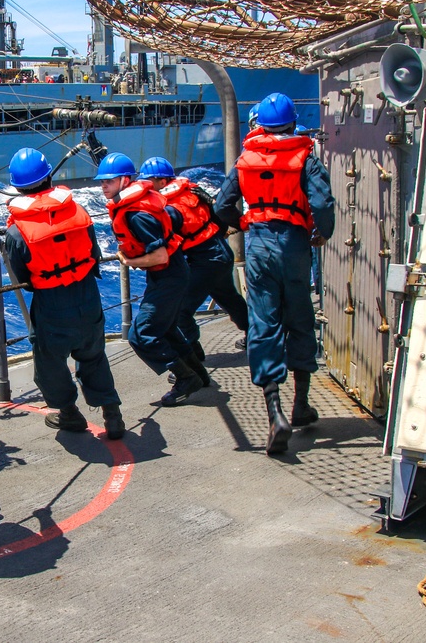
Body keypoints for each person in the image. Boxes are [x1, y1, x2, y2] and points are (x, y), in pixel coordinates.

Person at [214, 93, 335, 456]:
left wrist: (245, 224)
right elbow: (323, 204)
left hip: (259, 246)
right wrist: (321, 233)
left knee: (264, 325)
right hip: (294, 245)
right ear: (292, 122)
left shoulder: (245, 159)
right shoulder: (306, 159)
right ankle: (301, 404)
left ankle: (275, 413)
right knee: (299, 318)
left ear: (261, 124)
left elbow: (222, 205)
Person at [3, 148, 125, 439]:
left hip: (51, 302)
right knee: (93, 355)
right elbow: (94, 254)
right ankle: (113, 415)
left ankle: (69, 414)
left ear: (17, 186)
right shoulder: (78, 211)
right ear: (49, 177)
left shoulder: (17, 231)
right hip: (87, 294)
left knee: (49, 363)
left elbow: (24, 280)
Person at [95, 152, 208, 406]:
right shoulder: (136, 206)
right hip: (171, 274)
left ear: (125, 181)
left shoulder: (137, 215)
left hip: (168, 275)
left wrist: (129, 261)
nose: (103, 185)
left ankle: (185, 377)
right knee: (166, 328)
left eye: (109, 181)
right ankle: (199, 375)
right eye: (101, 181)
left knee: (142, 333)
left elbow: (158, 255)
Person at [137, 156, 249, 364]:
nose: (144, 185)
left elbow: (169, 239)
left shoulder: (170, 208)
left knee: (181, 311)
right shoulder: (192, 192)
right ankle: (254, 336)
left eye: (148, 181)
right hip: (220, 253)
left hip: (205, 261)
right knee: (230, 298)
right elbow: (217, 217)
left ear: (162, 182)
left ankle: (193, 357)